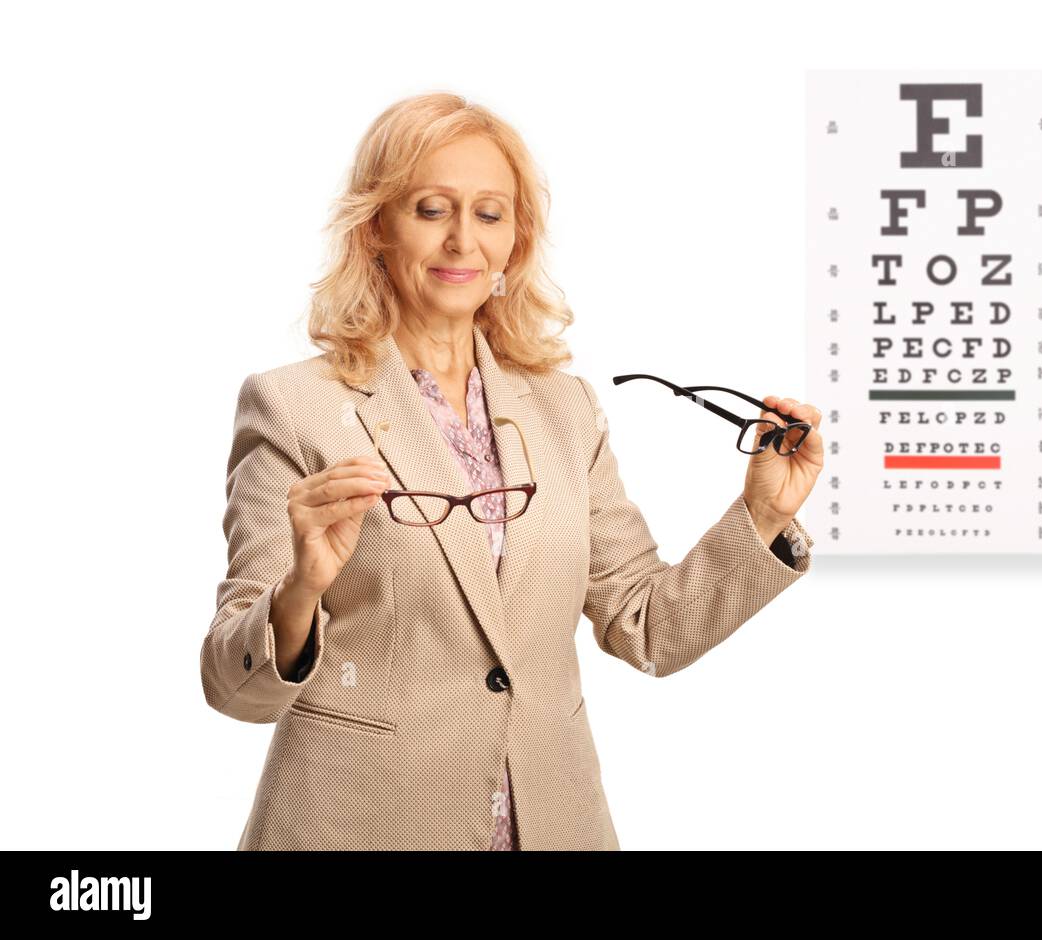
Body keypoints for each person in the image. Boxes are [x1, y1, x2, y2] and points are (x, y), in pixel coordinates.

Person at [200, 92, 823, 850]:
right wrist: (300, 590)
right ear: (375, 229)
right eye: (431, 209)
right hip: (359, 824)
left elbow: (647, 625)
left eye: (490, 214)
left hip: (548, 821)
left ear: (515, 240)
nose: (463, 240)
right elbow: (234, 687)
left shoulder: (564, 408)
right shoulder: (292, 404)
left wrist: (759, 516)